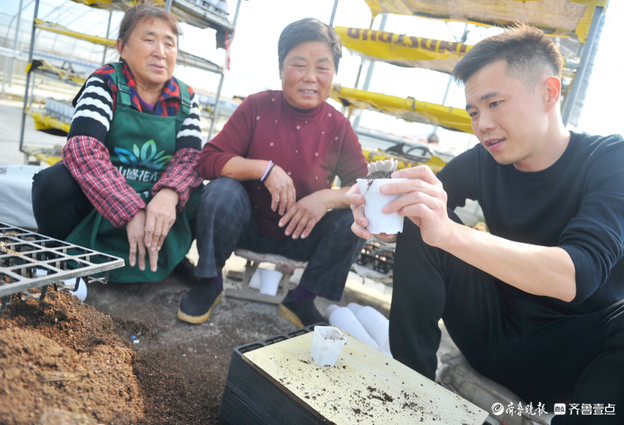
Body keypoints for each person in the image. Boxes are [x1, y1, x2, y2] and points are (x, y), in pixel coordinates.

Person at [346, 24, 624, 424]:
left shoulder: (609, 161)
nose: (482, 124)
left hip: (570, 366)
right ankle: (408, 394)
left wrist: (448, 232)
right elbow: (424, 211)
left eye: (495, 104)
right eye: (474, 111)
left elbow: (574, 277)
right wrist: (381, 211)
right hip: (493, 337)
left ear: (549, 92)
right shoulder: (484, 159)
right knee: (423, 216)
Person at [177, 18, 367, 327]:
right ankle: (209, 282)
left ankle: (302, 298)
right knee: (221, 190)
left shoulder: (338, 127)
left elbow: (364, 187)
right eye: (298, 65)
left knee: (355, 217)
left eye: (322, 68)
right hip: (247, 226)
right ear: (280, 69)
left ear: (333, 75)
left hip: (303, 235)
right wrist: (264, 169)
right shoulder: (256, 107)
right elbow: (208, 160)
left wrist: (325, 199)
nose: (310, 77)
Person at [32, 5, 203, 283]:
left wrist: (169, 194)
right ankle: (58, 254)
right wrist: (130, 209)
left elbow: (191, 159)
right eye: (149, 39)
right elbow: (82, 150)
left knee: (206, 196)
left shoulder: (185, 98)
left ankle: (175, 257)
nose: (160, 51)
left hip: (156, 200)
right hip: (104, 202)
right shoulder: (105, 83)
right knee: (54, 183)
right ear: (122, 47)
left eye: (169, 43)